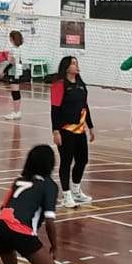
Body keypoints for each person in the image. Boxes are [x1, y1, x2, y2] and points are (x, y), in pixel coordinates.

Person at [49, 55, 95, 206]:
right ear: (66, 67)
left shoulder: (81, 84)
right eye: (73, 63)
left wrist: (91, 126)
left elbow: (85, 106)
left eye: (76, 63)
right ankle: (66, 195)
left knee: (82, 160)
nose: (76, 65)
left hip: (80, 130)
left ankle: (76, 191)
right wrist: (56, 131)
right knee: (66, 162)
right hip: (65, 130)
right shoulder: (59, 84)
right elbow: (54, 109)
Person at [0, 29, 28, 121]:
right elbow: (18, 61)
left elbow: (12, 62)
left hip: (14, 71)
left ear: (11, 38)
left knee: (15, 92)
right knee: (16, 91)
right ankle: (17, 112)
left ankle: (16, 112)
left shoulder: (13, 49)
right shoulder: (19, 49)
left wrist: (4, 71)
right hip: (18, 70)